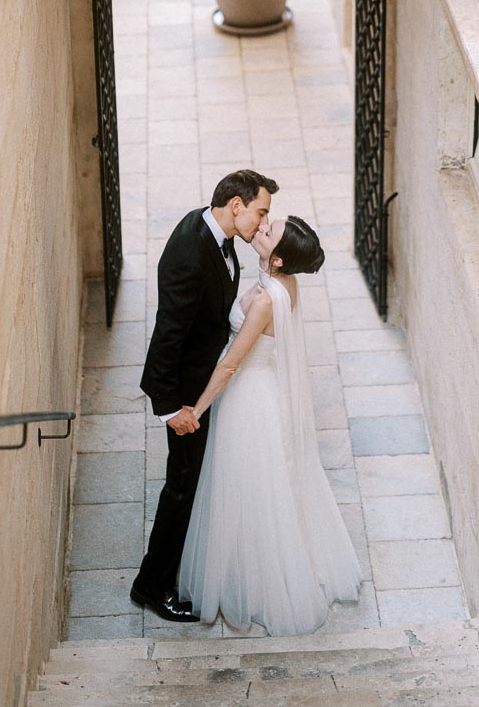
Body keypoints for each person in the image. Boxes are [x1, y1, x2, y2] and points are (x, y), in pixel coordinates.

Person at [177, 215, 362, 635]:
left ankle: (252, 576)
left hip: (248, 395)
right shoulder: (283, 281)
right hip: (265, 387)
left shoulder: (264, 301)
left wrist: (197, 411)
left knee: (244, 486)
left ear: (277, 259)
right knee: (260, 484)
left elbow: (228, 366)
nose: (260, 228)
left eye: (268, 232)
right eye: (267, 223)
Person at [130, 169, 278, 623]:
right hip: (188, 396)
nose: (264, 222)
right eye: (261, 211)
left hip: (207, 380)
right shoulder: (190, 254)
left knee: (195, 482)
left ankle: (189, 563)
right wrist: (170, 409)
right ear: (236, 205)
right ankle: (152, 587)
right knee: (182, 486)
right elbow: (167, 336)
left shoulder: (215, 232)